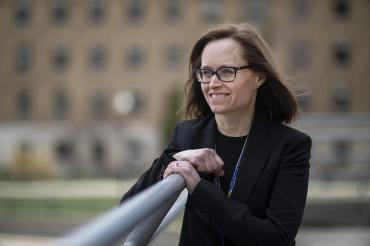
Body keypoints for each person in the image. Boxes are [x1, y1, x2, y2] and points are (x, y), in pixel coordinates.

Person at [120, 23, 311, 246]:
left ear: (259, 77)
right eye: (206, 72)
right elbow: (128, 211)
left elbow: (276, 239)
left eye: (227, 71)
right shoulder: (187, 135)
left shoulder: (291, 146)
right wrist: (176, 160)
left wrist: (199, 190)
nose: (213, 83)